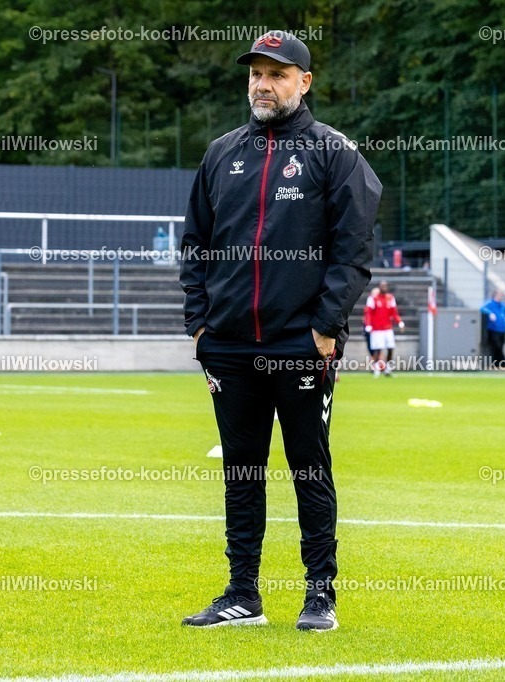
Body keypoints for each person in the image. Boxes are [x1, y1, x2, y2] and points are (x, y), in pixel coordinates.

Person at [179, 30, 381, 631]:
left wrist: (325, 327)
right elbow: (195, 243)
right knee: (241, 472)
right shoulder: (221, 153)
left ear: (304, 82)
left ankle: (321, 596)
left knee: (308, 468)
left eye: (276, 74)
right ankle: (243, 594)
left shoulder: (335, 153)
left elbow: (354, 250)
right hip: (230, 345)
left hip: (301, 344)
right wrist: (199, 324)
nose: (263, 85)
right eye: (255, 74)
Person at [365, 280, 404, 377]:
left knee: (390, 348)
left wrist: (400, 322)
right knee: (378, 349)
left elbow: (394, 312)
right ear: (379, 287)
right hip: (377, 329)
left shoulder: (390, 298)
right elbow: (368, 312)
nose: (384, 288)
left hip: (387, 328)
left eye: (385, 286)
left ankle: (388, 368)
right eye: (382, 286)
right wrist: (368, 325)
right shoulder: (373, 298)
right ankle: (377, 368)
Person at [479, 290, 505, 365]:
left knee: (500, 346)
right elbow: (482, 309)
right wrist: (490, 314)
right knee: (496, 346)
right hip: (493, 329)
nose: (501, 297)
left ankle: (497, 363)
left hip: (502, 329)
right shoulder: (489, 303)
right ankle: (501, 362)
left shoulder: (503, 305)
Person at [362, 286, 380, 359]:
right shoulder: (370, 302)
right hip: (369, 326)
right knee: (369, 344)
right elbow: (367, 315)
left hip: (377, 327)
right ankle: (375, 360)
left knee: (378, 345)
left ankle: (377, 362)